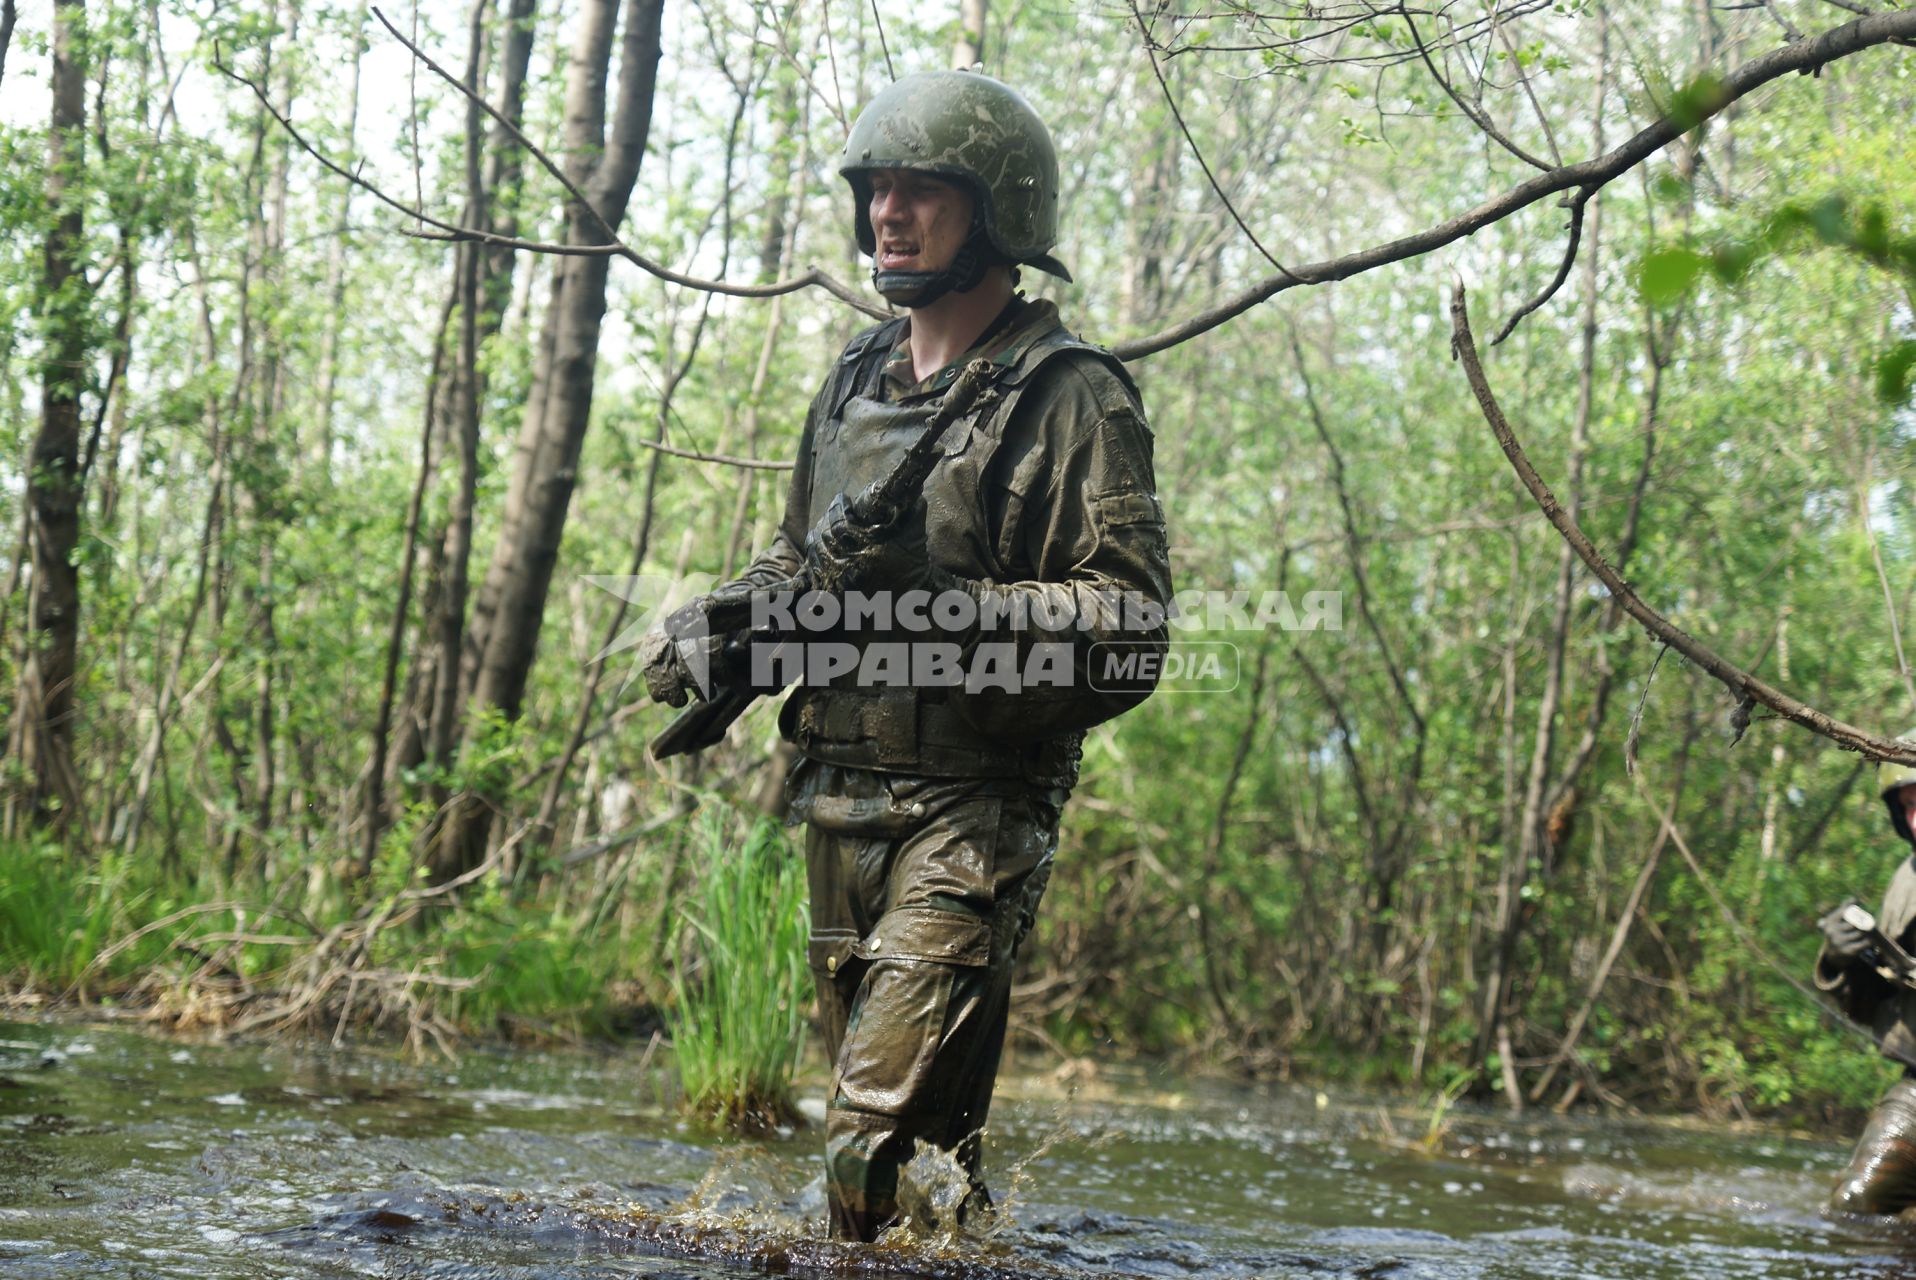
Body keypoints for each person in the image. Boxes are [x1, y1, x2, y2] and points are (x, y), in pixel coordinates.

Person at [641, 69, 1171, 1240]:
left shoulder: (1073, 396)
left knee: (862, 1147)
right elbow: (800, 567)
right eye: (876, 188)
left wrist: (940, 600)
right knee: (922, 1179)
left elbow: (1129, 632)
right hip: (837, 798)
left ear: (995, 215)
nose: (888, 212)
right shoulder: (851, 381)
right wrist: (719, 621)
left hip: (973, 810)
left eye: (922, 189)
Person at [1817, 757, 1916, 1215]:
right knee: (1857, 1207)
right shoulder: (1908, 880)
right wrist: (1846, 960)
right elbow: (1878, 1005)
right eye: (1910, 805)